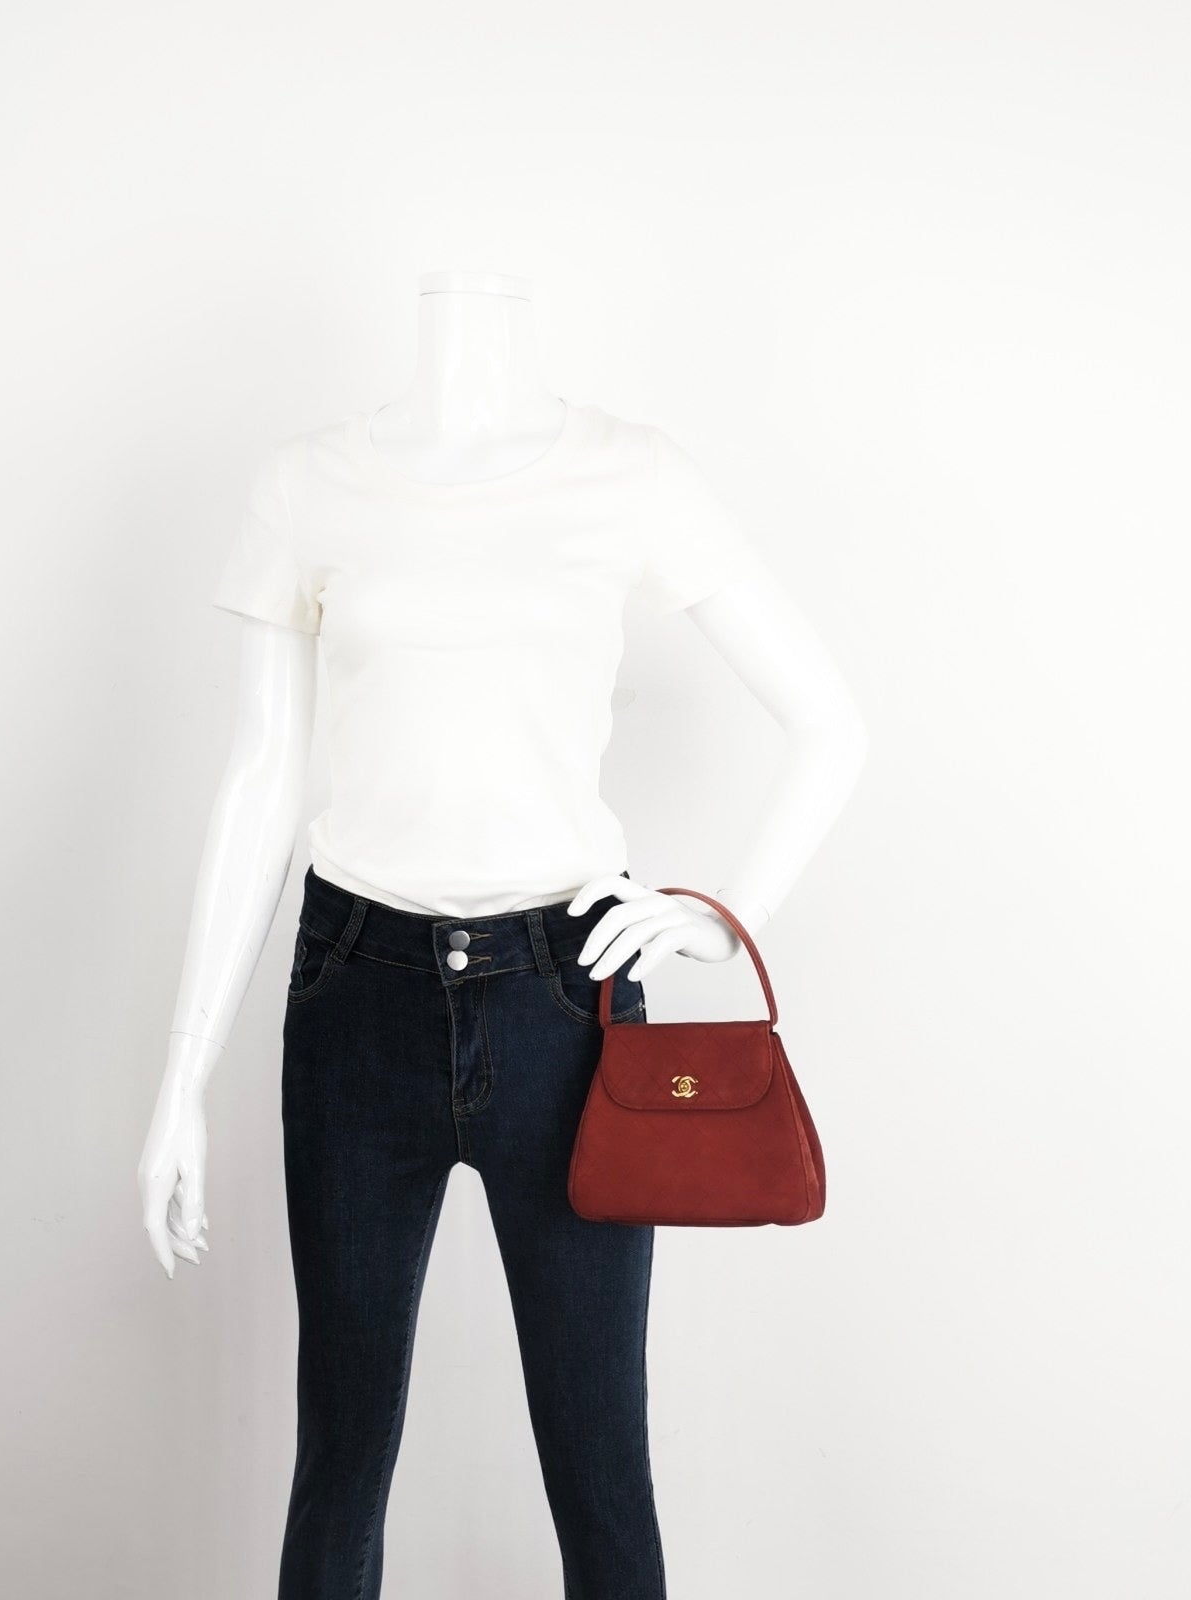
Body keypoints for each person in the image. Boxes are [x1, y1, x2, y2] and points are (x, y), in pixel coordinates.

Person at [137, 270, 868, 1599]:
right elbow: (261, 775)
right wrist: (179, 1079)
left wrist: (725, 919)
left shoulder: (630, 472)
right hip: (356, 991)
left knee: (601, 1469)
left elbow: (830, 720)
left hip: (568, 1002)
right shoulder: (308, 483)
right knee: (340, 1463)